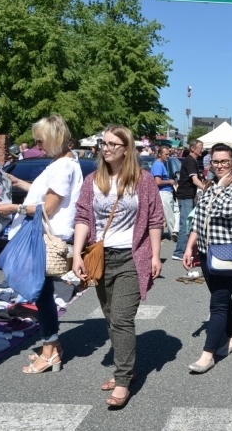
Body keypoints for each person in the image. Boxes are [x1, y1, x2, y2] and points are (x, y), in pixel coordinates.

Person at [72, 124, 163, 409]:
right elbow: (83, 217)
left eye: (113, 144)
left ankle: (123, 379)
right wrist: (76, 255)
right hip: (101, 258)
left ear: (127, 149)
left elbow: (155, 220)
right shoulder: (93, 180)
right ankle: (127, 367)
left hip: (131, 258)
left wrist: (155, 255)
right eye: (104, 143)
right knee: (111, 317)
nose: (107, 148)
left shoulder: (143, 180)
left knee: (122, 318)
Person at [0, 115, 82, 374]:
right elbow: (46, 194)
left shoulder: (63, 166)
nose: (37, 144)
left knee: (41, 295)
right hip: (44, 234)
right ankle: (52, 347)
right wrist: (18, 183)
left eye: (41, 140)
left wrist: (14, 207)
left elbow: (49, 207)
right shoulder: (65, 162)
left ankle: (49, 349)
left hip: (45, 235)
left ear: (54, 138)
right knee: (42, 295)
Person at [183, 143, 232, 373]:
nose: (220, 165)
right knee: (221, 297)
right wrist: (189, 246)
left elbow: (227, 210)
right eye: (216, 161)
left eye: (224, 161)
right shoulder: (207, 187)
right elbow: (199, 218)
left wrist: (220, 187)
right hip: (206, 251)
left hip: (229, 252)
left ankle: (207, 355)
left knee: (218, 302)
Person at [173, 140, 204, 261]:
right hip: (185, 195)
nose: (201, 150)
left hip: (188, 195)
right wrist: (205, 188)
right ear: (192, 148)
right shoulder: (190, 160)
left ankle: (184, 250)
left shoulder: (192, 160)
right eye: (200, 147)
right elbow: (195, 179)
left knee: (188, 223)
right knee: (186, 224)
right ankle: (179, 252)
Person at [151, 146, 176, 240]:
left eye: (168, 154)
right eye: (166, 154)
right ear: (160, 154)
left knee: (161, 215)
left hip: (164, 192)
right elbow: (157, 182)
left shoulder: (161, 164)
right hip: (163, 192)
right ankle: (174, 233)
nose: (167, 156)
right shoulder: (158, 165)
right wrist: (169, 181)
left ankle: (160, 234)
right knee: (169, 214)